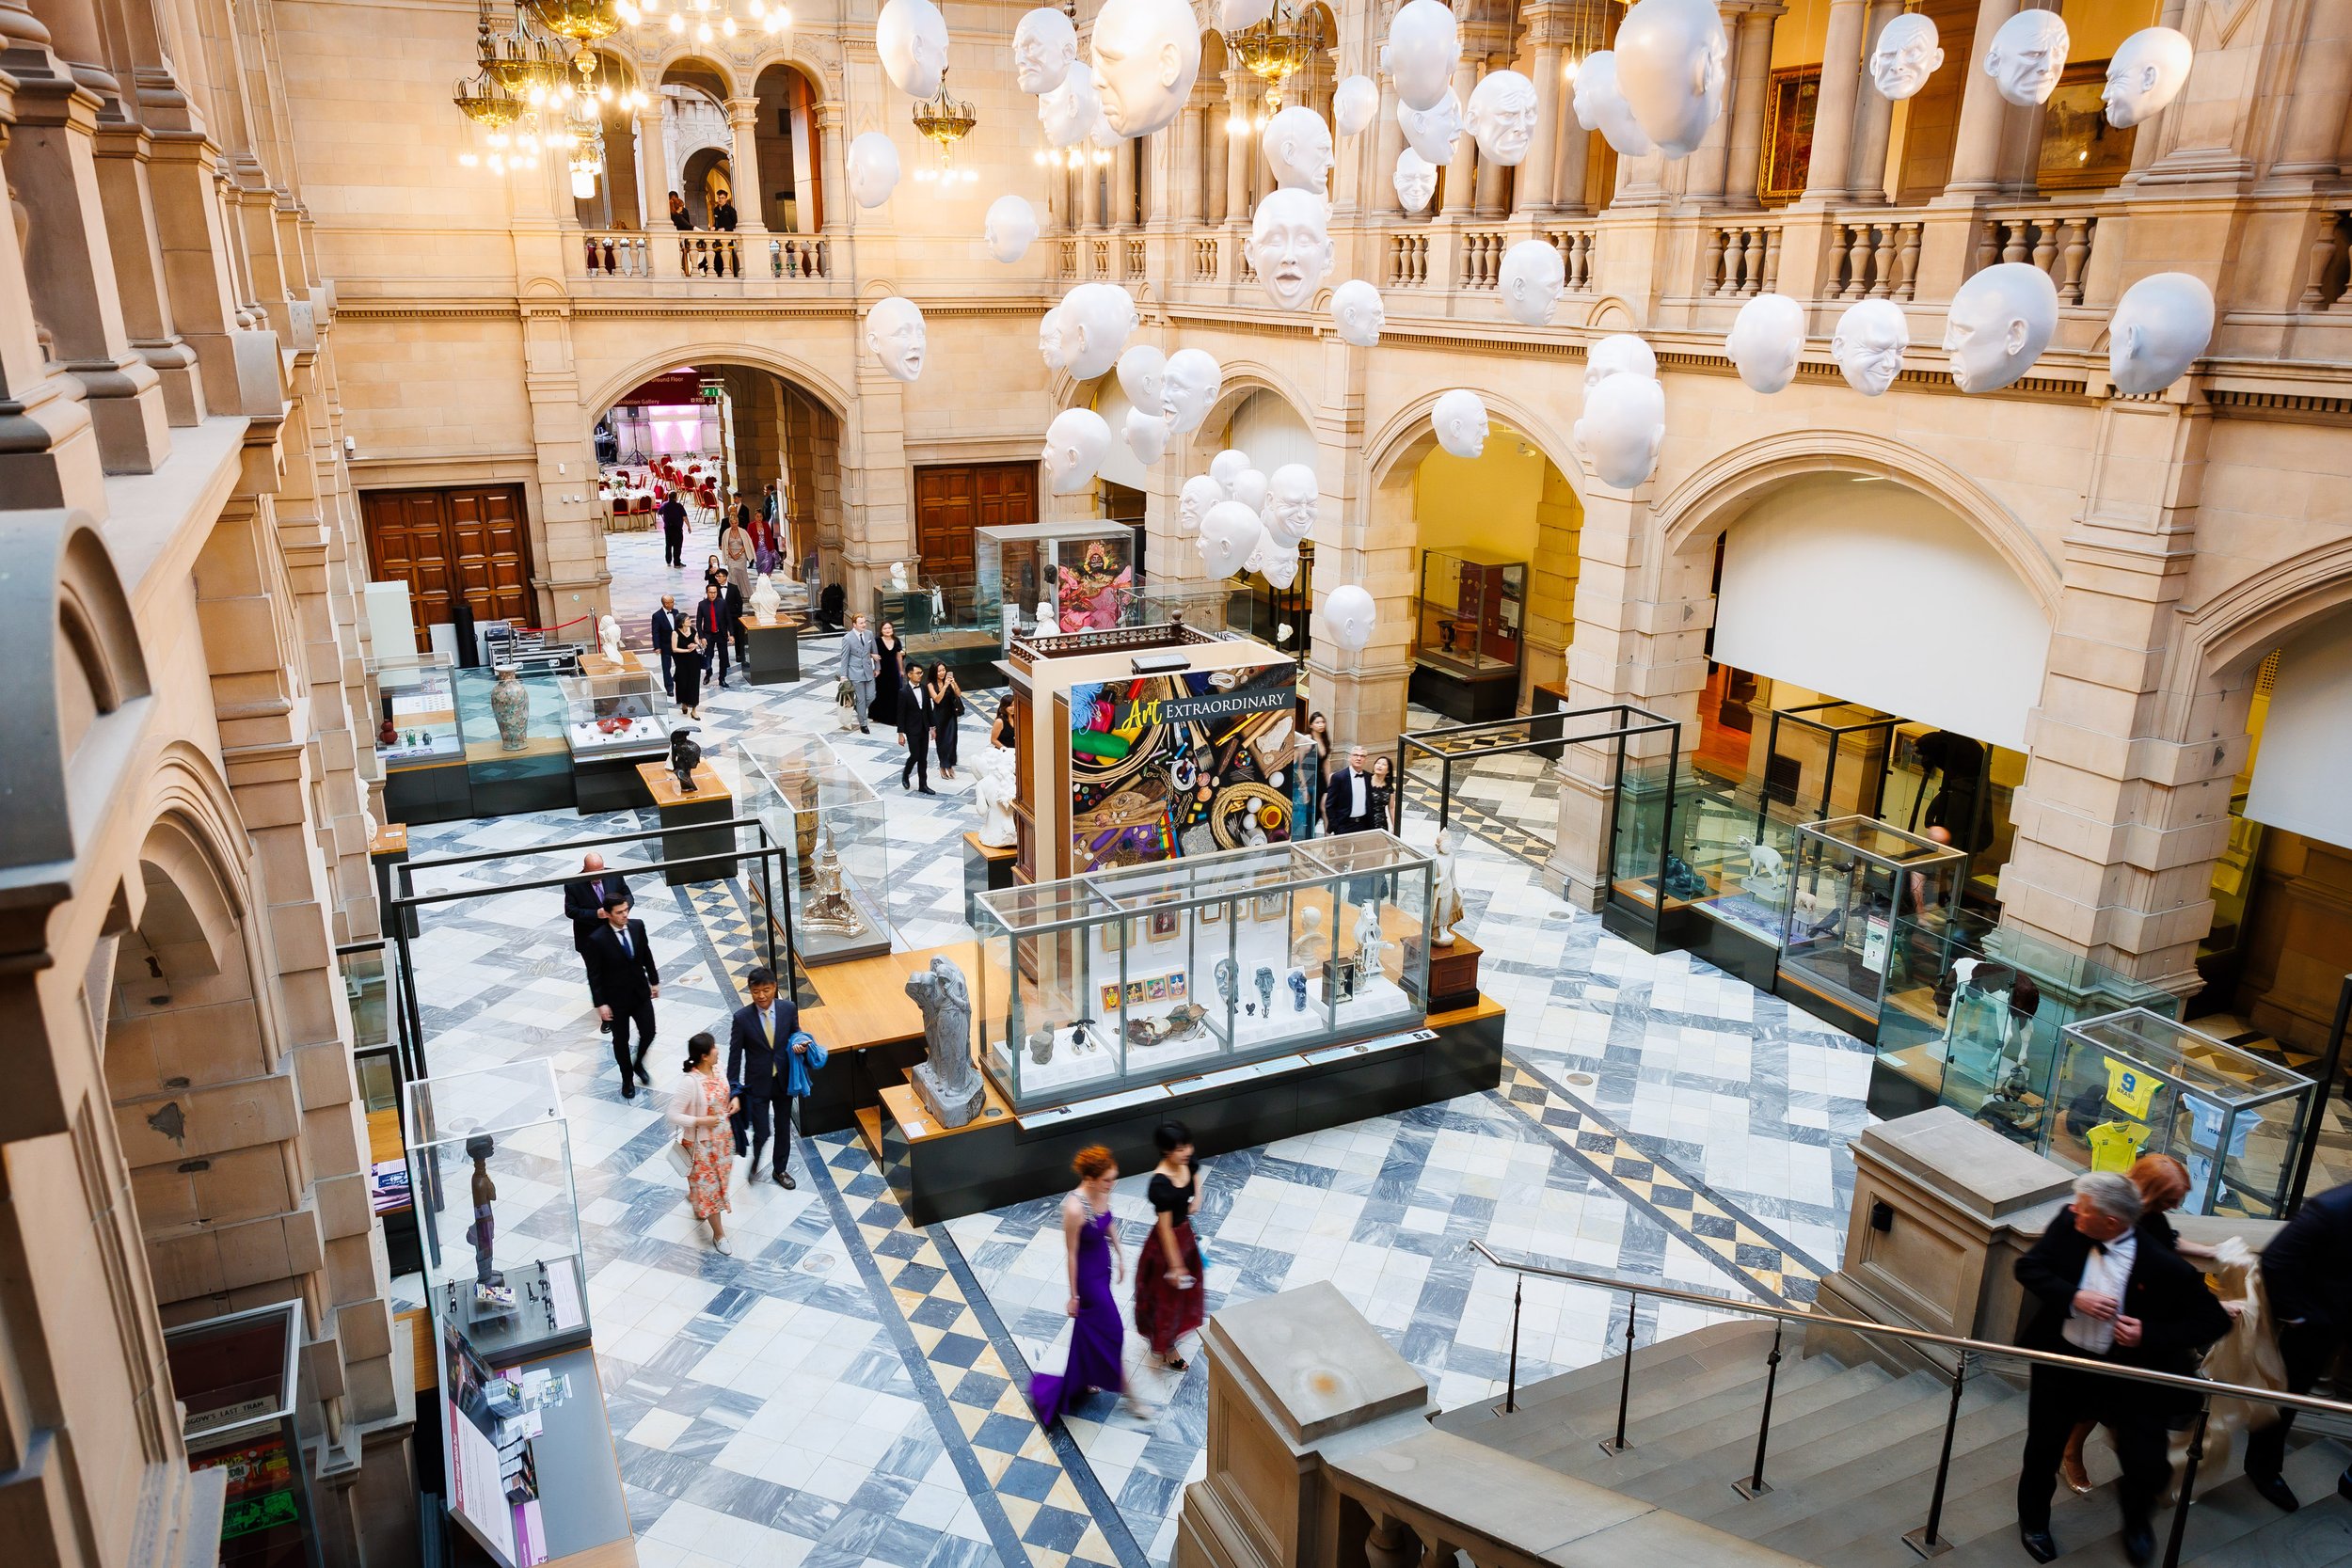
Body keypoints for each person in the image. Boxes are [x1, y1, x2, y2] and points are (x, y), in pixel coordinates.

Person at [2011, 1171, 2231, 1564]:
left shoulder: (2163, 1264)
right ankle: (2033, 1522)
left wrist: (2149, 1333)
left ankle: (2136, 1523)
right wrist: (2075, 1296)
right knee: (2041, 1450)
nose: (2074, 1210)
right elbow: (2029, 1269)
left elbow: (2214, 1321)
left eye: (2084, 1208)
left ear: (2111, 1222)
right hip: (2062, 1366)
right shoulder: (2069, 1221)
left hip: (2127, 1376)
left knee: (2147, 1463)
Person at [2058, 1153, 2226, 1493]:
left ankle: (2129, 1464)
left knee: (2117, 1402)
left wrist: (2209, 1252)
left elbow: (2167, 1240)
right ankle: (2073, 1452)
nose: (2173, 1206)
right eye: (2168, 1200)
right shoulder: (2112, 1213)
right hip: (2108, 1323)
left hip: (2143, 1325)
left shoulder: (2151, 1216)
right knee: (2099, 1400)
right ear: (2150, 1193)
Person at [2244, 1176, 2352, 1511]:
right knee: (2286, 1395)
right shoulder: (2330, 1208)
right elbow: (2276, 1261)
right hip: (2319, 1323)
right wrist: (2299, 1316)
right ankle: (2262, 1467)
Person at [1030, 1146, 1151, 1424]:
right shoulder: (1074, 1208)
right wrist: (1074, 1295)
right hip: (1088, 1281)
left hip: (1103, 1268)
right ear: (1092, 1178)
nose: (1113, 1183)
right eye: (1108, 1179)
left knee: (1090, 1332)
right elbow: (1071, 1254)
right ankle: (1132, 1399)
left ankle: (1086, 1376)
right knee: (1113, 1332)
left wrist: (1119, 1253)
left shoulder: (1102, 1192)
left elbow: (1107, 1222)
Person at [1136, 1121, 1206, 1373]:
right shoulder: (1160, 1184)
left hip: (1185, 1235)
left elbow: (1195, 1170)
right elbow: (1165, 1228)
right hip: (1167, 1247)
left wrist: (1197, 1196)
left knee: (1184, 1297)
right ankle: (1168, 1348)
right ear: (1166, 1152)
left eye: (1187, 1145)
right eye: (1179, 1149)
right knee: (1167, 1300)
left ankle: (1170, 1339)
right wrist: (1176, 1265)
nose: (1186, 1151)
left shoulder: (1186, 1160)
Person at [724, 966, 804, 1189]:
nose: (761, 996)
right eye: (756, 991)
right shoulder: (741, 1018)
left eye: (766, 990)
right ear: (750, 991)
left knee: (782, 1128)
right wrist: (734, 1090)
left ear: (774, 987)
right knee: (762, 1131)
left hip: (783, 1081)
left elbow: (795, 1034)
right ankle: (756, 1159)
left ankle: (780, 1170)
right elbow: (734, 1058)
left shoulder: (788, 1009)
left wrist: (799, 1045)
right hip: (757, 1084)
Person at [582, 893, 661, 1099]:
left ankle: (638, 1064)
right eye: (619, 912)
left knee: (649, 1031)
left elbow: (646, 954)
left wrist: (654, 980)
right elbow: (594, 975)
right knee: (621, 1040)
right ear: (608, 914)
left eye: (626, 910)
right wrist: (601, 1003)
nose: (625, 914)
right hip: (615, 1000)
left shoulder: (637, 926)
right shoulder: (597, 939)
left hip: (639, 992)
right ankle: (627, 1078)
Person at [669, 1033, 738, 1254]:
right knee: (712, 1191)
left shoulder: (719, 1069)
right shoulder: (690, 1083)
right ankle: (719, 1234)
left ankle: (697, 1196)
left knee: (719, 1182)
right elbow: (673, 1114)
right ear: (704, 1056)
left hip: (723, 1141)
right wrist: (700, 1121)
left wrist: (734, 1099)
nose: (718, 1050)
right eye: (714, 1048)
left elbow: (729, 1090)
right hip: (702, 1146)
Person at [561, 854, 630, 1035]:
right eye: (594, 873)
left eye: (601, 871)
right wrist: (595, 914)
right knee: (599, 976)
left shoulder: (614, 876)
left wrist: (620, 909)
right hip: (590, 938)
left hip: (614, 934)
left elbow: (628, 895)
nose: (599, 875)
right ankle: (607, 1017)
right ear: (585, 870)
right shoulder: (573, 884)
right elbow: (571, 911)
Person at [1324, 744, 1380, 835]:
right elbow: (1330, 804)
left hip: (1364, 824)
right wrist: (1336, 826)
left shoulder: (1369, 777)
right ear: (1350, 757)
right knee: (1343, 850)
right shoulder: (1338, 777)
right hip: (1344, 825)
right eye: (1356, 755)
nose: (1359, 758)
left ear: (1366, 759)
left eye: (1362, 756)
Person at [899, 661, 937, 794]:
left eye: (921, 673)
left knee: (923, 758)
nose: (920, 675)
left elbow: (928, 709)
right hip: (911, 729)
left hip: (924, 727)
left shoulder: (924, 688)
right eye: (917, 673)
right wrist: (900, 733)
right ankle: (906, 773)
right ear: (909, 675)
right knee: (915, 755)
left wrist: (933, 727)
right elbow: (901, 714)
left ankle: (923, 785)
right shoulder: (903, 692)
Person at [1291, 712, 1329, 839]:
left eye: (1322, 722)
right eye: (1317, 722)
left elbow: (1326, 764)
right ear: (1311, 725)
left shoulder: (1324, 740)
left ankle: (1325, 838)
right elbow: (1298, 765)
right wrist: (1304, 787)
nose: (1321, 725)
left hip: (1321, 781)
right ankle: (1306, 839)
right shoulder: (1307, 739)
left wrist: (1329, 785)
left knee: (1323, 809)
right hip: (1309, 780)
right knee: (1309, 814)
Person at [841, 612, 876, 734]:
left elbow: (874, 652)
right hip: (855, 672)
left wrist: (877, 667)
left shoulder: (869, 634)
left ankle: (858, 708)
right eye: (861, 623)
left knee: (871, 696)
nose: (864, 625)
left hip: (868, 671)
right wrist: (843, 675)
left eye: (864, 622)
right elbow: (844, 658)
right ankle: (863, 723)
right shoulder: (847, 638)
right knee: (861, 699)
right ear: (854, 624)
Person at [929, 664, 964, 779]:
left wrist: (953, 683)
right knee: (942, 743)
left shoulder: (949, 682)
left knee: (951, 741)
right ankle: (943, 766)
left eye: (943, 670)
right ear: (934, 672)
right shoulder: (931, 684)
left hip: (951, 715)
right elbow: (937, 700)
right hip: (939, 716)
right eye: (939, 671)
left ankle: (949, 765)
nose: (942, 673)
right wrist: (944, 686)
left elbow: (959, 694)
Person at [694, 581, 732, 690]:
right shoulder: (702, 604)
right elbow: (698, 621)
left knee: (723, 657)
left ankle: (722, 678)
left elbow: (728, 619)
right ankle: (708, 672)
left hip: (721, 634)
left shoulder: (722, 603)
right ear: (707, 592)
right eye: (710, 592)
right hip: (708, 634)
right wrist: (701, 636)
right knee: (708, 655)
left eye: (715, 592)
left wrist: (731, 634)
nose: (713, 594)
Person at [870, 620, 904, 738]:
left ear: (892, 629)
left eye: (889, 628)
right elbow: (870, 653)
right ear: (881, 630)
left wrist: (901, 670)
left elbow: (898, 656)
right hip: (881, 671)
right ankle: (878, 715)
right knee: (882, 693)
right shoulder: (877, 641)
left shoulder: (896, 641)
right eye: (885, 628)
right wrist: (873, 658)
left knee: (895, 693)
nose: (887, 630)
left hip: (894, 671)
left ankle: (893, 718)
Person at [671, 610, 703, 718]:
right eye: (687, 620)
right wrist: (686, 651)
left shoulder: (692, 630)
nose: (690, 621)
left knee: (694, 683)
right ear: (682, 622)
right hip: (681, 661)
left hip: (693, 660)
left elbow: (697, 642)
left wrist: (694, 645)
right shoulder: (675, 633)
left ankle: (694, 709)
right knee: (682, 682)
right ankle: (684, 702)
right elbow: (674, 649)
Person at [648, 594, 681, 696]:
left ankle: (675, 677)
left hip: (676, 644)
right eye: (671, 602)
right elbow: (655, 632)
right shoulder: (657, 616)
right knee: (666, 668)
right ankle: (669, 688)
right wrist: (657, 646)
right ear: (665, 603)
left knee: (680, 664)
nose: (672, 604)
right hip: (665, 645)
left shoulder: (676, 612)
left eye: (673, 601)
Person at [1366, 752, 1396, 833]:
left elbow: (1392, 808)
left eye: (1383, 764)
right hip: (1365, 822)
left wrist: (1395, 826)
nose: (1379, 766)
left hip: (1381, 824)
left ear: (1388, 770)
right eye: (1378, 763)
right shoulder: (1366, 780)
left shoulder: (1389, 788)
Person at [660, 491, 687, 568]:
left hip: (668, 528)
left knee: (668, 545)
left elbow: (659, 512)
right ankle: (677, 563)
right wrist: (689, 526)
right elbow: (684, 517)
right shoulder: (679, 506)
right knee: (677, 546)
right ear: (675, 497)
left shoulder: (664, 504)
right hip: (677, 528)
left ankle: (668, 561)